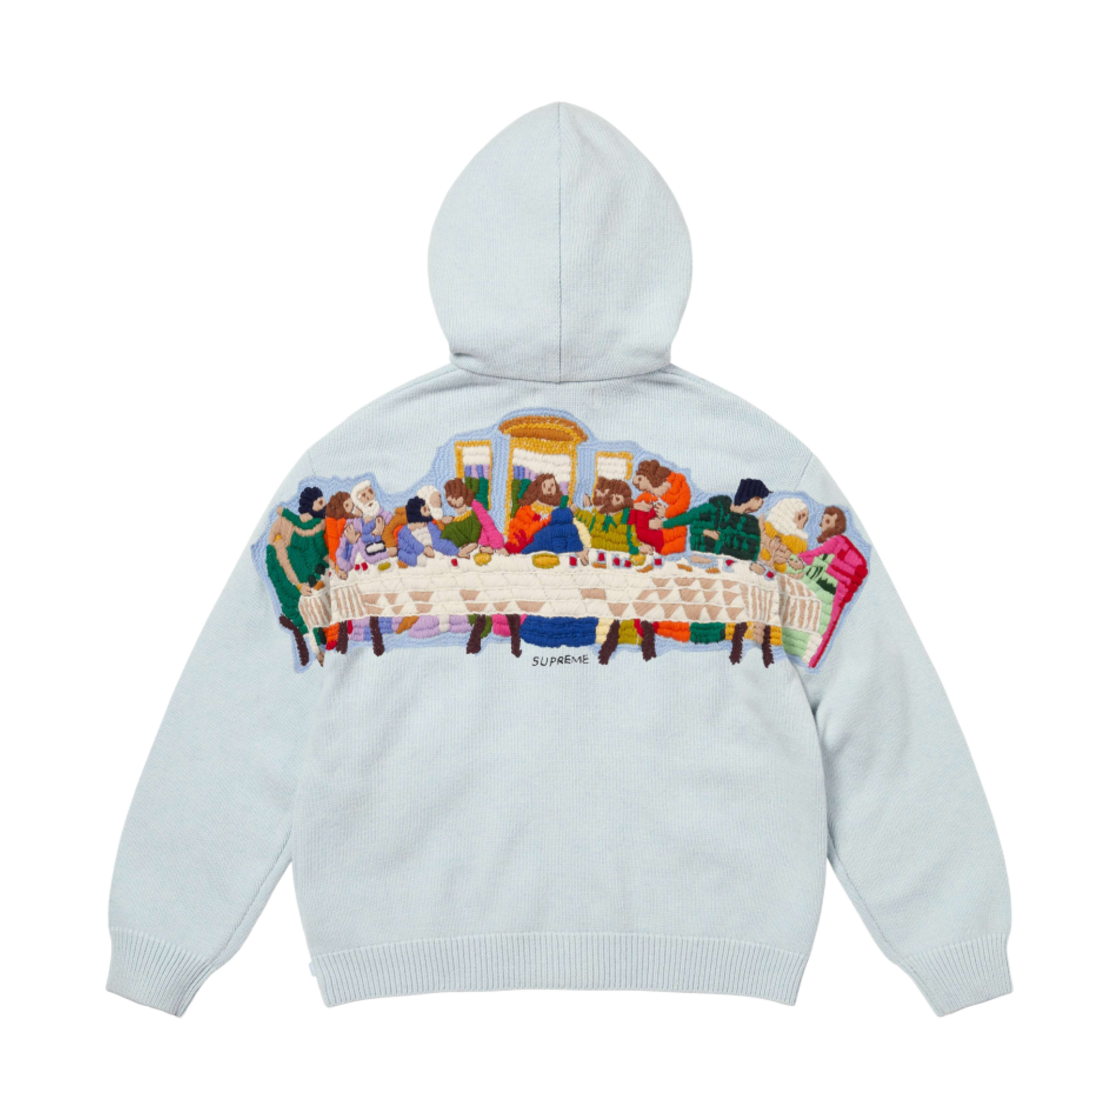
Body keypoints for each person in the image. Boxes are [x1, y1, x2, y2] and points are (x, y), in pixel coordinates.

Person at [265, 486, 330, 664]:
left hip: (314, 574)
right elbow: (284, 562)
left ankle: (325, 638)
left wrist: (332, 563)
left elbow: (320, 550)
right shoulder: (284, 528)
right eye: (320, 502)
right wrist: (298, 585)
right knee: (304, 612)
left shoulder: (318, 525)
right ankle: (315, 649)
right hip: (295, 581)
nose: (324, 505)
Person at [655, 478, 766, 562]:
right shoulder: (715, 508)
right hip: (702, 556)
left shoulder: (749, 522)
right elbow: (688, 517)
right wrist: (665, 523)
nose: (762, 503)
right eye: (760, 499)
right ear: (753, 498)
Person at [630, 459, 691, 554]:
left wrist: (666, 516)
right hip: (655, 532)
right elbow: (639, 503)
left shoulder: (676, 486)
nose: (638, 486)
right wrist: (636, 506)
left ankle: (647, 545)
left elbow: (682, 509)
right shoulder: (651, 494)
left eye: (640, 479)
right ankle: (644, 545)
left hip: (670, 533)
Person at [575, 478, 643, 555]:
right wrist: (576, 511)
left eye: (617, 499)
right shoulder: (599, 516)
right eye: (611, 497)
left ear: (625, 502)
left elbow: (638, 538)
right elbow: (588, 518)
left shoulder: (629, 522)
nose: (613, 501)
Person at [439, 478, 505, 556]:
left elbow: (488, 525)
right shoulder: (452, 511)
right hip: (463, 538)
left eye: (459, 505)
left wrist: (499, 546)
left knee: (483, 531)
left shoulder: (475, 507)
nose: (457, 510)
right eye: (454, 506)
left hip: (478, 538)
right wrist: (447, 520)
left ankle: (485, 547)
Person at [503, 473, 563, 554]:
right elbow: (524, 529)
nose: (549, 488)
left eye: (552, 485)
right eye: (545, 486)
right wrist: (544, 521)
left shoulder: (556, 509)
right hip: (526, 539)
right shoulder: (529, 508)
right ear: (538, 488)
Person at [337, 480, 388, 575]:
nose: (367, 497)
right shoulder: (352, 521)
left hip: (375, 548)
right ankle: (343, 568)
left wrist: (377, 533)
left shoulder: (376, 513)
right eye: (363, 495)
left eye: (370, 492)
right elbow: (351, 539)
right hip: (358, 553)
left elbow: (387, 522)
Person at [397, 496, 460, 566]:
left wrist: (455, 550)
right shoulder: (405, 531)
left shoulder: (431, 525)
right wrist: (423, 550)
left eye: (428, 509)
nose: (429, 512)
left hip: (433, 553)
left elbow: (438, 541)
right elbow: (408, 543)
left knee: (440, 556)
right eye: (425, 510)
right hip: (418, 556)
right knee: (415, 559)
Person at [759, 497, 809, 573]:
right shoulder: (769, 527)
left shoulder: (800, 543)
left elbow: (799, 559)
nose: (805, 520)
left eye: (805, 517)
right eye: (801, 516)